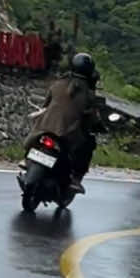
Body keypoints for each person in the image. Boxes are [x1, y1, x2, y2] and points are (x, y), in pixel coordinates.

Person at [25, 51, 105, 194]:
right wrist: (98, 125)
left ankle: (26, 160)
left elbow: (46, 105)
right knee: (89, 144)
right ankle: (75, 178)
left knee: (34, 137)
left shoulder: (58, 84)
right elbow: (92, 117)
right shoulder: (88, 94)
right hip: (67, 134)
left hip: (44, 127)